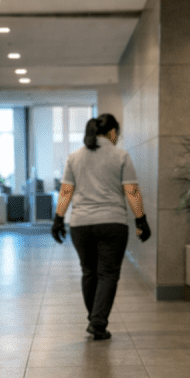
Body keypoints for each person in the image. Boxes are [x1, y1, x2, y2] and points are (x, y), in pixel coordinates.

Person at [51, 113, 150, 340]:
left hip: (81, 225)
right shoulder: (121, 156)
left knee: (89, 272)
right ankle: (97, 322)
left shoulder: (74, 157)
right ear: (112, 132)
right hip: (112, 223)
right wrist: (140, 220)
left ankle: (95, 320)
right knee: (108, 274)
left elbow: (66, 191)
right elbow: (131, 191)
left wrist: (58, 219)